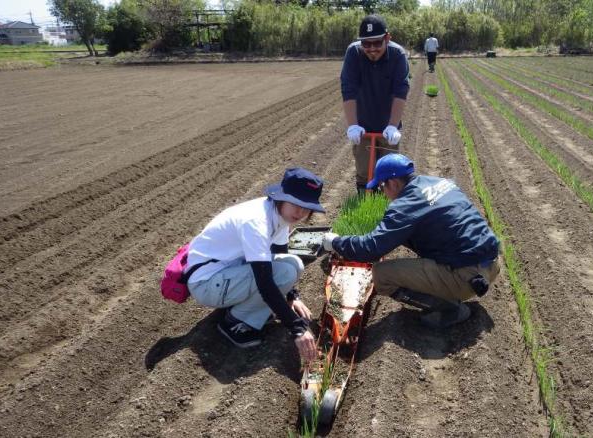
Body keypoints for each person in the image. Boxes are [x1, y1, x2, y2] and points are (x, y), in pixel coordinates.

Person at [321, 154, 501, 329]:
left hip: (465, 278)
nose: (382, 192)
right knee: (411, 235)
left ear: (392, 183)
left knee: (381, 275)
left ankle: (449, 308)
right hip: (492, 264)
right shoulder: (439, 182)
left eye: (382, 187)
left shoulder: (405, 206)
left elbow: (370, 249)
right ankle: (450, 290)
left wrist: (336, 242)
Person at [185, 168, 325, 362]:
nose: (300, 212)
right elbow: (265, 281)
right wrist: (297, 329)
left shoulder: (279, 216)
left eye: (306, 207)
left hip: (225, 274)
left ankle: (246, 309)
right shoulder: (256, 222)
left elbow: (279, 256)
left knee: (293, 264)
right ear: (281, 198)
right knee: (283, 272)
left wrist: (292, 296)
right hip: (206, 284)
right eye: (295, 203)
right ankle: (236, 324)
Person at [341, 14, 410, 194]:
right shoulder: (353, 53)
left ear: (387, 38)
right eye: (366, 44)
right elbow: (348, 89)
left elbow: (400, 91)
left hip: (388, 127)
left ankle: (387, 207)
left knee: (390, 172)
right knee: (364, 171)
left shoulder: (397, 55)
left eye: (377, 43)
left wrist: (393, 126)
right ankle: (364, 200)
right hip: (362, 127)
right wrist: (353, 125)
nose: (371, 49)